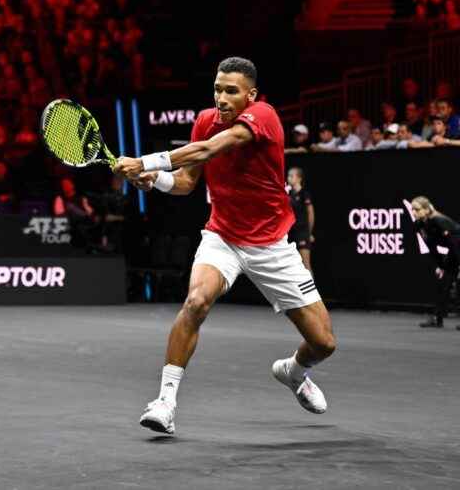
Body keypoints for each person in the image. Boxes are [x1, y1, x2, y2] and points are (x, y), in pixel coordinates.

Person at [113, 57, 335, 434]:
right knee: (196, 301)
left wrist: (144, 161)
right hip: (222, 238)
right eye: (217, 89)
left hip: (272, 246)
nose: (222, 98)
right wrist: (155, 181)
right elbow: (186, 182)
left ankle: (293, 372)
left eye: (231, 91)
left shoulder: (263, 116)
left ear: (251, 94)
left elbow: (210, 149)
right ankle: (164, 402)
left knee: (323, 343)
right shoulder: (204, 120)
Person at [411, 196, 460, 329]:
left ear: (426, 210)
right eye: (412, 209)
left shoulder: (439, 221)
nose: (413, 212)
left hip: (457, 247)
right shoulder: (418, 225)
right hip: (453, 250)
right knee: (443, 281)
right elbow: (430, 246)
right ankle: (437, 319)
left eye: (417, 209)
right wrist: (440, 266)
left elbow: (455, 243)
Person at [286, 167, 315, 273]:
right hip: (291, 234)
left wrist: (309, 233)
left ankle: (312, 290)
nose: (288, 178)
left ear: (299, 178)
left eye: (291, 176)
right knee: (291, 266)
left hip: (303, 233)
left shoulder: (304, 194)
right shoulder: (288, 194)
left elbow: (310, 214)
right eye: (288, 176)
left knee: (305, 264)